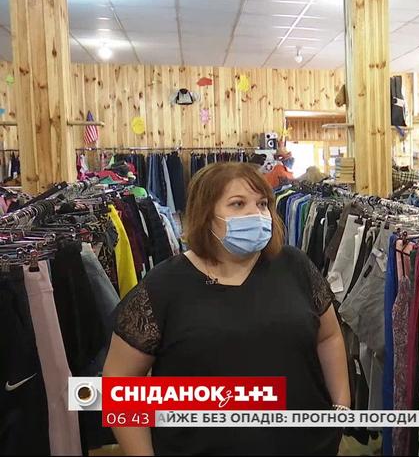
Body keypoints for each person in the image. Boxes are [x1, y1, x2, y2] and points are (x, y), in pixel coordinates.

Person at [103, 163, 349, 455]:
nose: (256, 214)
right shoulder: (164, 285)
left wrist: (341, 408)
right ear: (206, 214)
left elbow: (329, 337)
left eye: (262, 204)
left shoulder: (295, 266)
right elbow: (119, 383)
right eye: (238, 204)